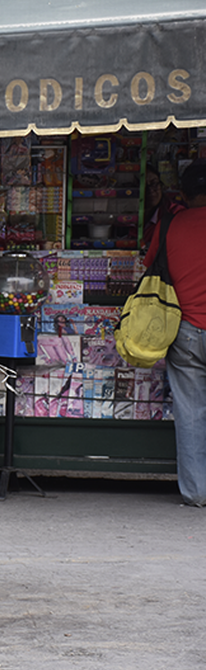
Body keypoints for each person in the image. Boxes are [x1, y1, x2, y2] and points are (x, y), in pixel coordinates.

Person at [146, 159, 206, 508]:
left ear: (183, 193)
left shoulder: (169, 225)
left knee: (190, 414)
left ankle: (196, 492)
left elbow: (150, 265)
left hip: (184, 331)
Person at [141, 167, 186, 252]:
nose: (150, 190)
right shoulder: (124, 217)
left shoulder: (175, 214)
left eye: (154, 183)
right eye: (143, 185)